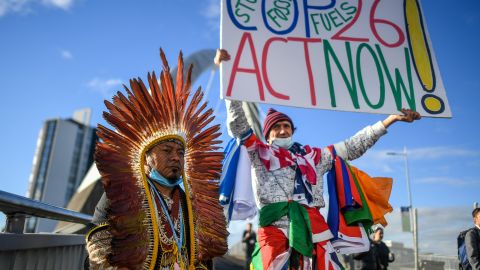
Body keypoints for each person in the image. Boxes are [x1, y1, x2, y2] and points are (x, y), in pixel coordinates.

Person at [215, 49, 420, 269]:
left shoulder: (315, 156)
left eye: (286, 126)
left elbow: (353, 146)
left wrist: (388, 121)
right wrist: (226, 77)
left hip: (316, 235)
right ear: (267, 134)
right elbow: (237, 125)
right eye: (276, 127)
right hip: (274, 236)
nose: (283, 130)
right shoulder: (258, 152)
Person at [85, 50, 228, 270]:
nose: (175, 157)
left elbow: (203, 258)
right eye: (167, 150)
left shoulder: (192, 202)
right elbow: (99, 244)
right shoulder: (123, 193)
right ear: (147, 157)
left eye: (181, 153)